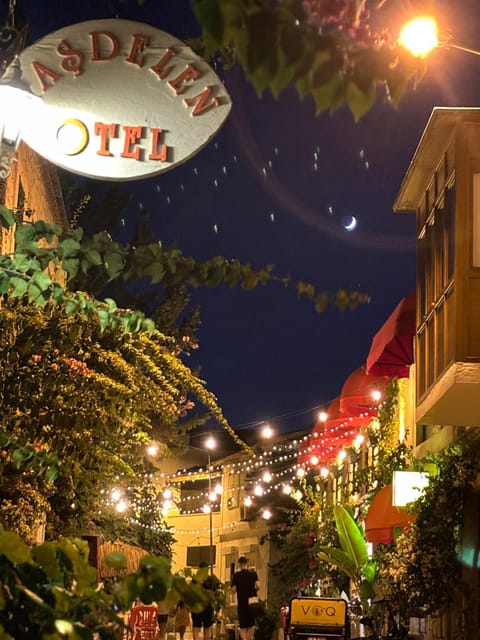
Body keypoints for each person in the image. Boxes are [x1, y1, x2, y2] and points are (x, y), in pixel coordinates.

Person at [230, 556, 260, 640]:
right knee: (251, 624)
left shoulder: (236, 576)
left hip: (242, 603)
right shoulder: (253, 574)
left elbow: (233, 590)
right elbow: (258, 586)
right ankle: (249, 638)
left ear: (239, 564)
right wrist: (253, 590)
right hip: (252, 603)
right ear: (247, 563)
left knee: (242, 626)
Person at [192, 562, 217, 640]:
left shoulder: (195, 580)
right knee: (207, 628)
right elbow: (215, 594)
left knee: (196, 626)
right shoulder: (212, 580)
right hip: (208, 607)